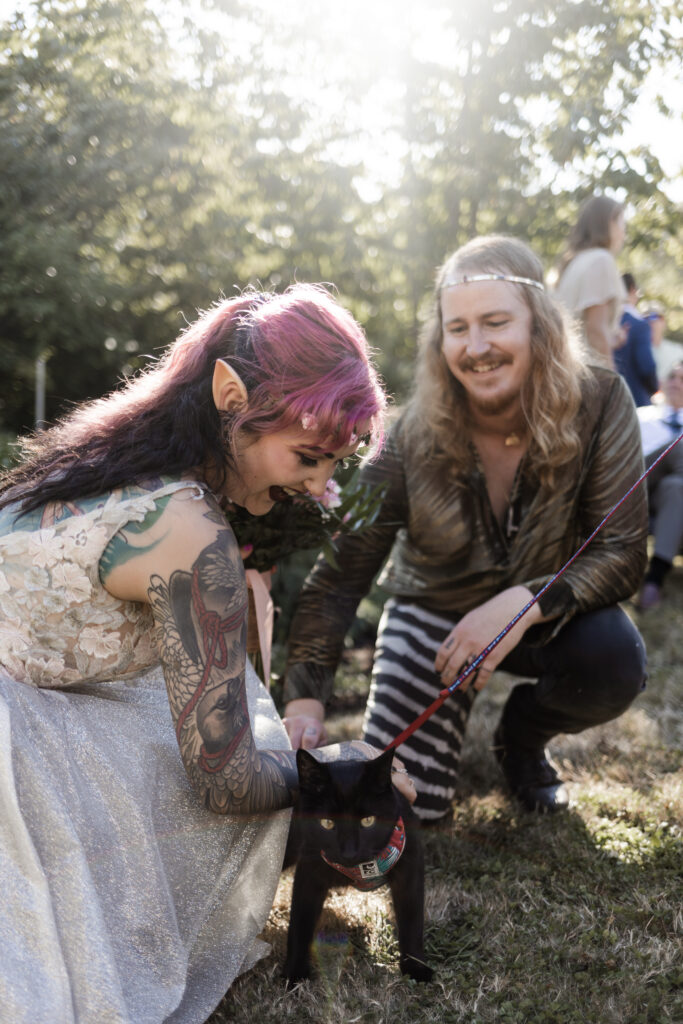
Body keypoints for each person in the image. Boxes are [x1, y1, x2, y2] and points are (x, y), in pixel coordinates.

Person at [0, 284, 414, 1023]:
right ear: (230, 392)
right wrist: (340, 778)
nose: (322, 488)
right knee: (251, 760)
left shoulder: (85, 462)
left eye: (337, 463)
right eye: (310, 456)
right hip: (29, 767)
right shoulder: (187, 531)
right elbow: (223, 786)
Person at [283, 236, 649, 823]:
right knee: (402, 811)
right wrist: (304, 695)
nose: (476, 347)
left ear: (540, 325)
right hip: (435, 623)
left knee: (614, 659)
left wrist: (524, 602)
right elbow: (339, 578)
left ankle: (522, 738)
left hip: (545, 619)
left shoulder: (603, 401)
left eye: (496, 322)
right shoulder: (408, 436)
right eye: (457, 329)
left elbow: (624, 551)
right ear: (440, 338)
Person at [555, 195, 627, 368]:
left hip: (569, 367)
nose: (624, 233)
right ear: (609, 222)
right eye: (622, 223)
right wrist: (613, 381)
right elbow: (595, 329)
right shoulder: (601, 260)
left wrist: (610, 337)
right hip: (589, 375)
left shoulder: (575, 261)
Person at [635, 360, 683, 610]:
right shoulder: (642, 416)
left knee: (676, 487)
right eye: (673, 376)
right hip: (635, 488)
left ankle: (655, 579)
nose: (675, 383)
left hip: (668, 499)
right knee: (681, 445)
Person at [614, 272, 658, 406]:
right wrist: (654, 389)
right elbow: (646, 366)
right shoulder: (639, 325)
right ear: (633, 290)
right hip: (635, 401)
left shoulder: (602, 322)